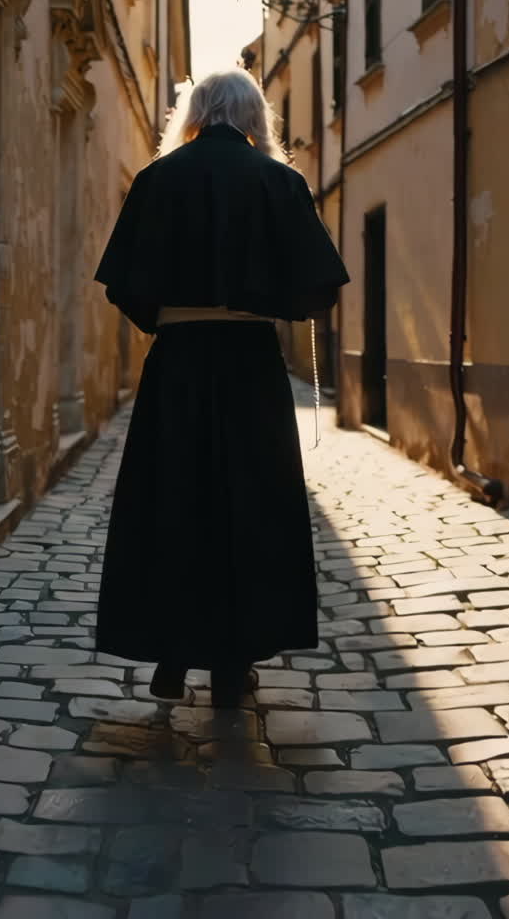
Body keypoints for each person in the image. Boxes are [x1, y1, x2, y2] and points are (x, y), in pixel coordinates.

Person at [93, 67, 349, 707]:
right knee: (250, 507)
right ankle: (234, 666)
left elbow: (124, 282)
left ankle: (171, 658)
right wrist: (264, 303)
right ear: (256, 116)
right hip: (251, 368)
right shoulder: (281, 182)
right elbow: (318, 286)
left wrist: (169, 317)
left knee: (172, 500)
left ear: (197, 113)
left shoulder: (156, 180)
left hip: (177, 362)